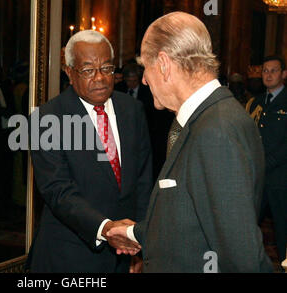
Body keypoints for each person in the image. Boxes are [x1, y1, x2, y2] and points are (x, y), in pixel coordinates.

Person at [107, 12, 272, 273]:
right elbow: (196, 214)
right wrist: (135, 232)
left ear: (163, 64)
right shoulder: (209, 118)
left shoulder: (216, 131)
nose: (145, 80)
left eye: (145, 68)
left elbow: (243, 258)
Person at [27, 30, 152, 273]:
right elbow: (58, 191)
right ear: (69, 73)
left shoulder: (133, 110)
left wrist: (140, 239)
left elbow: (143, 180)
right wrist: (106, 228)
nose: (100, 78)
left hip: (126, 256)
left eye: (106, 68)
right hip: (70, 256)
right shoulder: (47, 119)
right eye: (87, 70)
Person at [246, 55, 287, 264]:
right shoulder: (255, 102)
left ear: (284, 74)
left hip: (281, 179)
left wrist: (267, 163)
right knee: (247, 227)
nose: (268, 74)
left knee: (283, 230)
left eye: (273, 70)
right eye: (265, 70)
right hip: (257, 179)